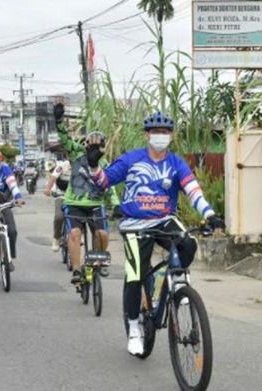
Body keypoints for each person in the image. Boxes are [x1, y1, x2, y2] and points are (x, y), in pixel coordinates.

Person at [88, 111, 226, 356]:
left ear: (170, 135)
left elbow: (193, 190)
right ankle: (133, 329)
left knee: (188, 244)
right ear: (147, 135)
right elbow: (104, 182)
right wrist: (93, 165)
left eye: (164, 132)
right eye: (155, 132)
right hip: (134, 224)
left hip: (164, 220)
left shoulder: (176, 163)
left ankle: (175, 285)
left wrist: (210, 214)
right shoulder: (132, 160)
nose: (160, 136)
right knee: (134, 275)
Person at [54, 103, 119, 283]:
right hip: (74, 204)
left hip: (96, 205)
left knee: (103, 235)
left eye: (99, 147)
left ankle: (100, 262)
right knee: (74, 234)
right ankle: (76, 271)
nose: (95, 149)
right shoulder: (76, 154)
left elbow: (110, 185)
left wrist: (116, 204)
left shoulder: (104, 164)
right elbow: (64, 139)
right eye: (92, 146)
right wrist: (58, 120)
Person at [0, 148, 25, 271]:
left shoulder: (6, 170)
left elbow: (12, 184)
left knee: (12, 230)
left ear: (1, 161)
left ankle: (9, 258)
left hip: (4, 204)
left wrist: (18, 197)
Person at [44, 158, 71, 251]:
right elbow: (53, 177)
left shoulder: (83, 165)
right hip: (61, 195)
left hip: (76, 197)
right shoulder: (62, 166)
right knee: (59, 217)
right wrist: (48, 189)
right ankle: (56, 238)